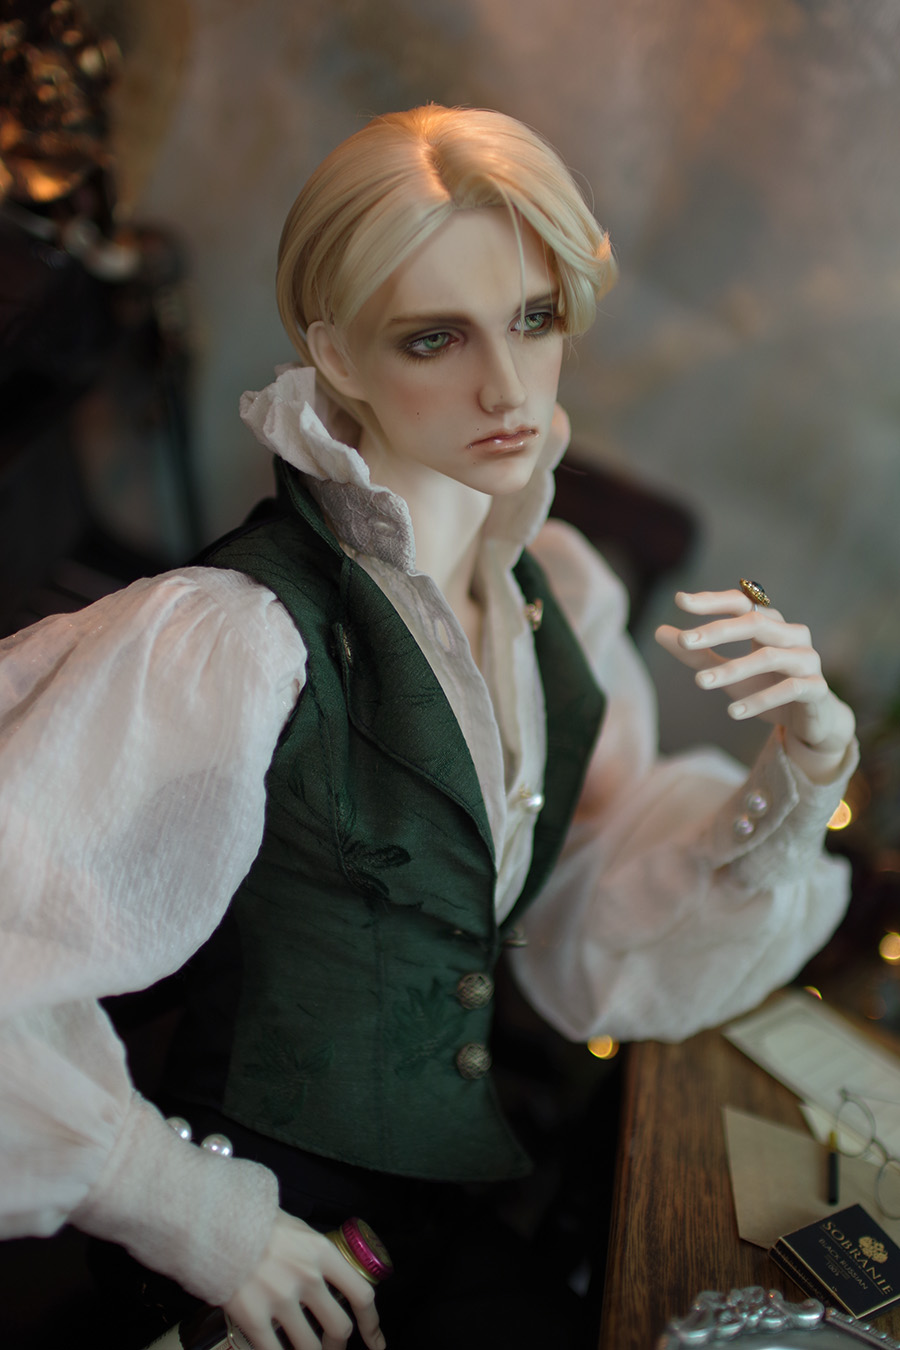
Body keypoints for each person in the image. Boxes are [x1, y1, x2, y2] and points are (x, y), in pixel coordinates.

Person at [0, 105, 857, 1350]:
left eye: (535, 318)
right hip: (267, 1256)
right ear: (336, 353)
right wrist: (192, 1212)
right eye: (435, 337)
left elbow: (591, 895)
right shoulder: (238, 639)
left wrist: (803, 768)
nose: (506, 388)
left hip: (437, 1216)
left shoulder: (555, 598)